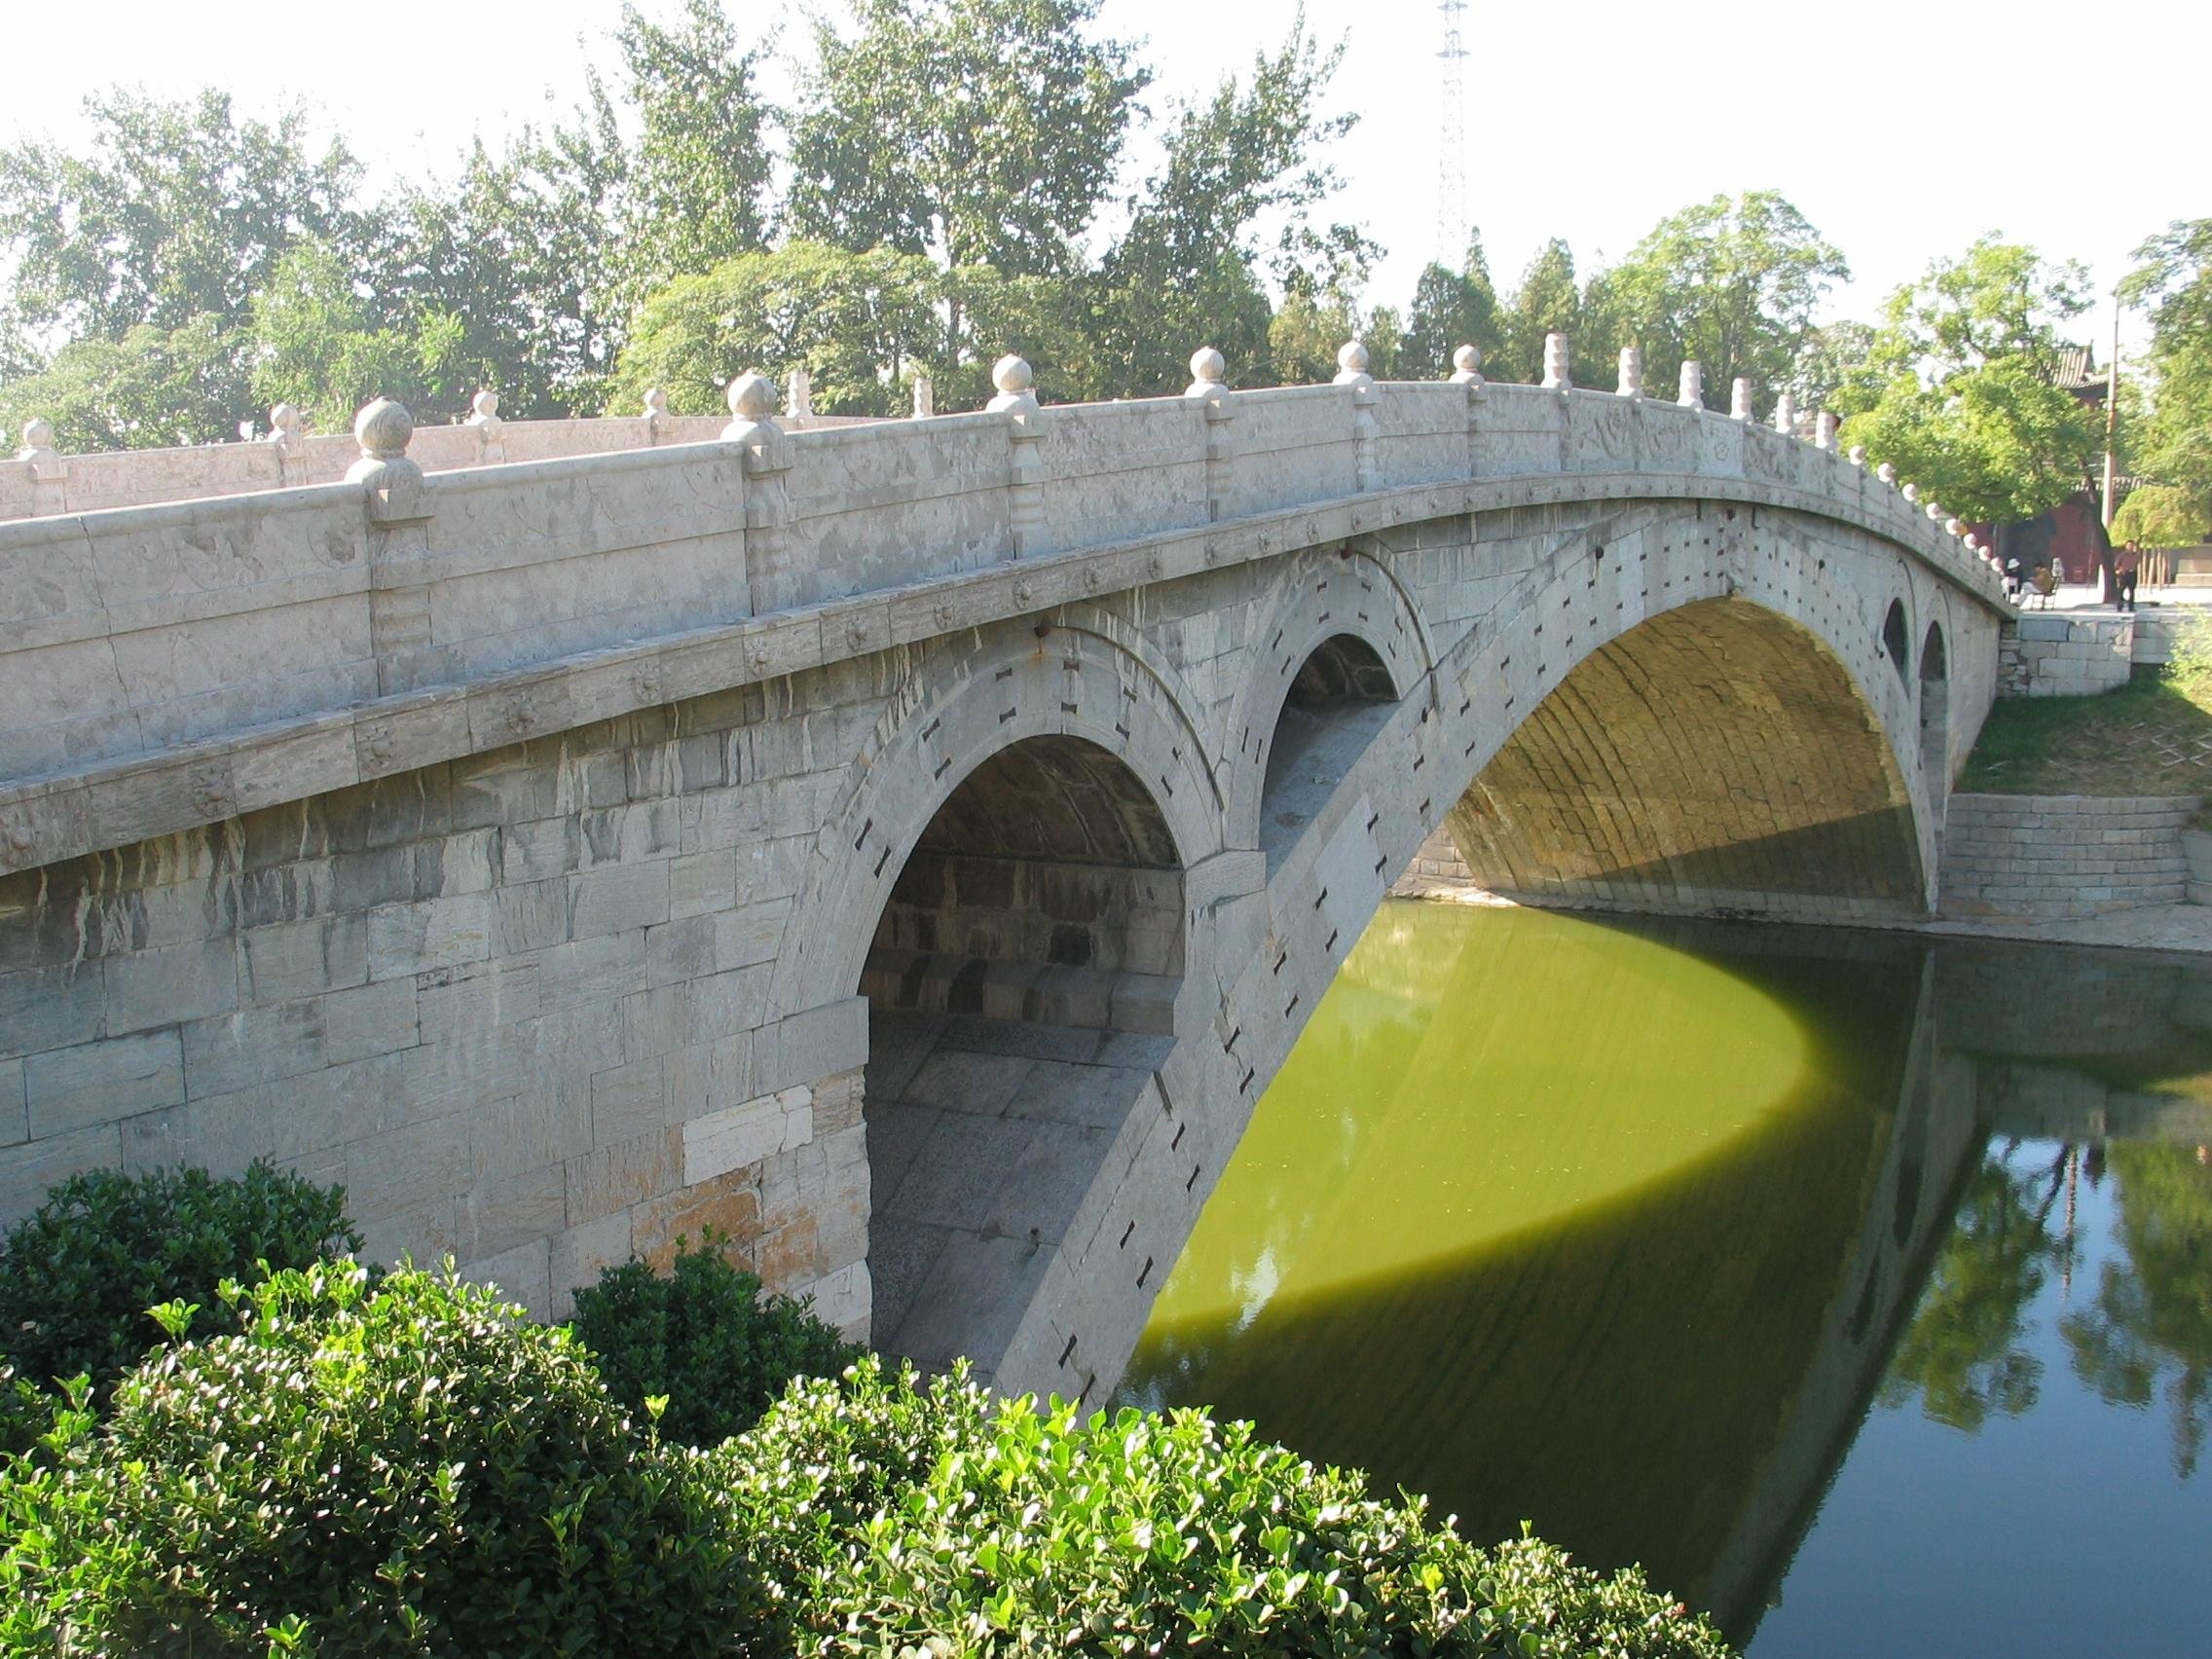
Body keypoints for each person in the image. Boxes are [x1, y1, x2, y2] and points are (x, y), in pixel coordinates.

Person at [2115, 540, 2141, 612]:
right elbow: (2117, 564)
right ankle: (2120, 606)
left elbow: (2137, 564)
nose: (2130, 547)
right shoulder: (2122, 555)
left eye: (2132, 545)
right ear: (2126, 546)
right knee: (2121, 590)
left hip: (2132, 573)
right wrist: (2118, 570)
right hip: (2124, 574)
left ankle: (2131, 607)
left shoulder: (2136, 555)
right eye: (2129, 545)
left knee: (2132, 591)